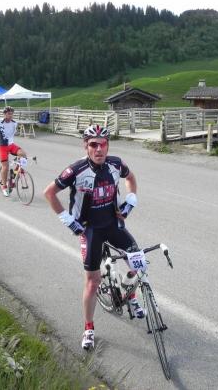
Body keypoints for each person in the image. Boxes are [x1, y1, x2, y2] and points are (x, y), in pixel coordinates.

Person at [43, 124, 143, 351]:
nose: (99, 149)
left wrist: (131, 201)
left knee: (137, 261)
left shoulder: (115, 163)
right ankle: (88, 327)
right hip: (89, 230)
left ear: (108, 145)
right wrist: (67, 220)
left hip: (112, 224)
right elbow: (49, 193)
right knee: (93, 281)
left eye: (103, 144)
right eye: (93, 145)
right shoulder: (75, 170)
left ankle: (130, 295)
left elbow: (131, 178)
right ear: (86, 147)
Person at [0, 106, 27, 196]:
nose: (10, 115)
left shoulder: (14, 123)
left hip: (11, 145)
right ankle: (4, 186)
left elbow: (11, 134)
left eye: (12, 113)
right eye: (9, 113)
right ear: (4, 114)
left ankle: (14, 175)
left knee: (23, 155)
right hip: (2, 147)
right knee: (5, 166)